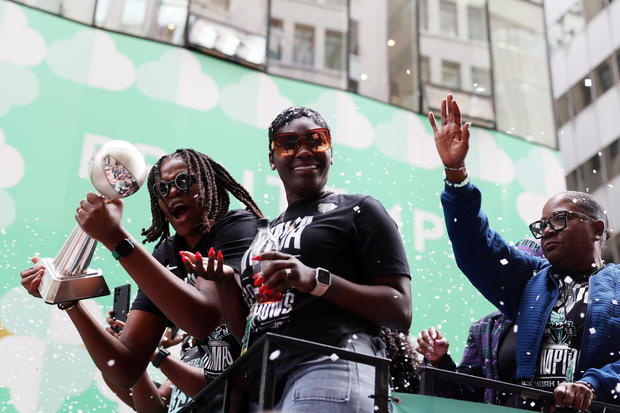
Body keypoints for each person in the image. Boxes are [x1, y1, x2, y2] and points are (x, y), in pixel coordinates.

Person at [185, 107, 412, 412]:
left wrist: (315, 280)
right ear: (272, 159)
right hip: (267, 385)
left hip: (330, 365)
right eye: (288, 144)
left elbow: (400, 309)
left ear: (331, 153)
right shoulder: (264, 233)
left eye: (315, 140)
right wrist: (226, 283)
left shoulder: (359, 209)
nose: (303, 152)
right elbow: (250, 334)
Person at [428, 94, 620, 411]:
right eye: (541, 224)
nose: (546, 229)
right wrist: (456, 173)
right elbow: (477, 246)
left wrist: (592, 385)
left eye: (559, 220)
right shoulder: (529, 280)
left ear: (597, 230)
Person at [20, 149, 261, 393]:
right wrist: (70, 301)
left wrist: (115, 237)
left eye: (183, 181)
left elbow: (202, 321)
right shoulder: (166, 255)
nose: (173, 192)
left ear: (209, 184)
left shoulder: (238, 226)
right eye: (162, 189)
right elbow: (124, 369)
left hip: (261, 392)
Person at [417, 238, 544, 405]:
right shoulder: (484, 328)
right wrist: (440, 361)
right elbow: (464, 394)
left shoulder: (564, 320)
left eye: (528, 273)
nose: (518, 279)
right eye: (513, 271)